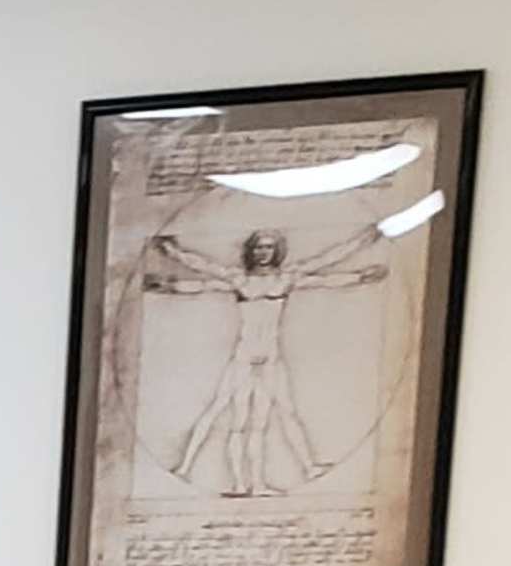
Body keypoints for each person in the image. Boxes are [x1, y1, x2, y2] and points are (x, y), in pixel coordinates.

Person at [137, 214, 389, 502]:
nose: (263, 252)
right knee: (227, 415)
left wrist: (362, 260)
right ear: (250, 251)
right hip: (244, 357)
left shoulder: (287, 278)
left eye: (268, 247)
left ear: (276, 251)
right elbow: (202, 275)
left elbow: (325, 270)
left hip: (270, 358)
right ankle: (191, 469)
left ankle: (271, 479)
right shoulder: (238, 279)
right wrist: (169, 263)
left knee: (272, 418)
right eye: (258, 247)